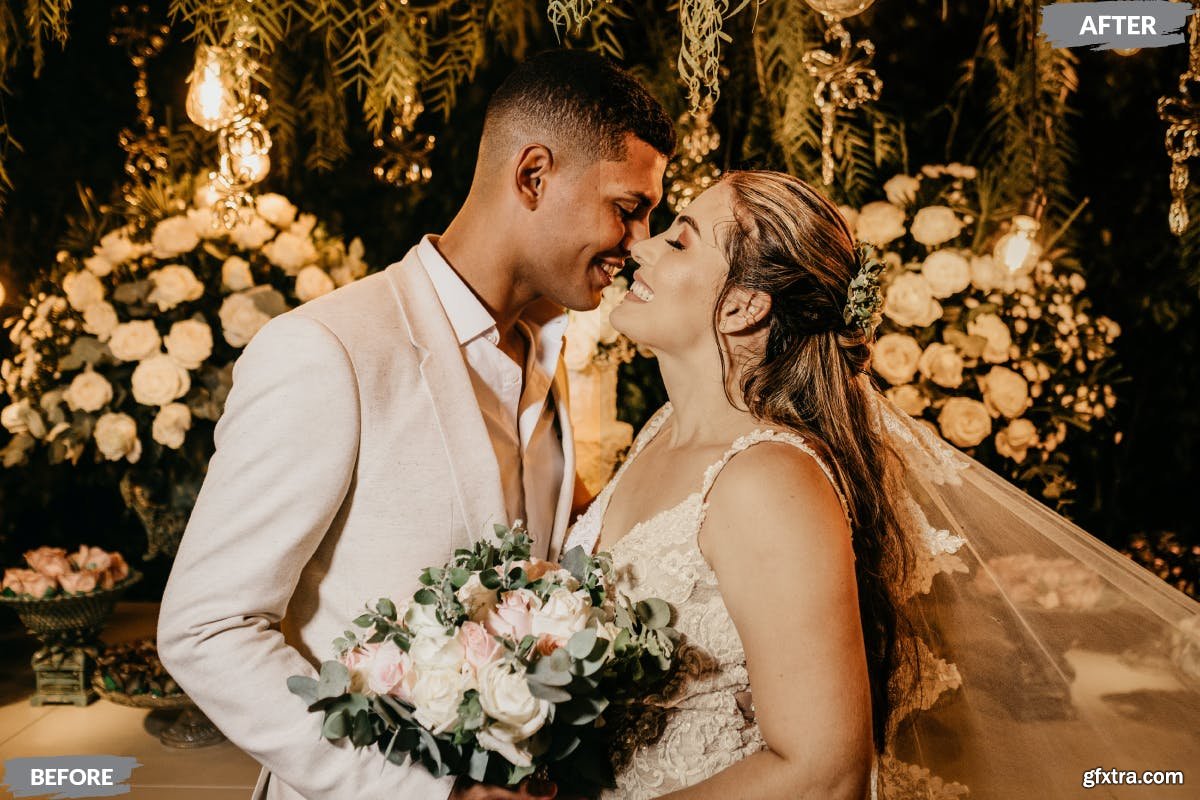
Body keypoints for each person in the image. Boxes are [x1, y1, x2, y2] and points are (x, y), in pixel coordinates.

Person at [565, 170, 1200, 799]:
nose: (641, 247)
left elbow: (823, 776)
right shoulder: (660, 430)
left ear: (743, 306)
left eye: (679, 240)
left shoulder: (767, 482)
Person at [157, 49, 674, 800]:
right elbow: (206, 629)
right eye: (628, 208)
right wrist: (430, 794)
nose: (641, 240)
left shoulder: (548, 354)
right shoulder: (328, 350)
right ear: (533, 176)